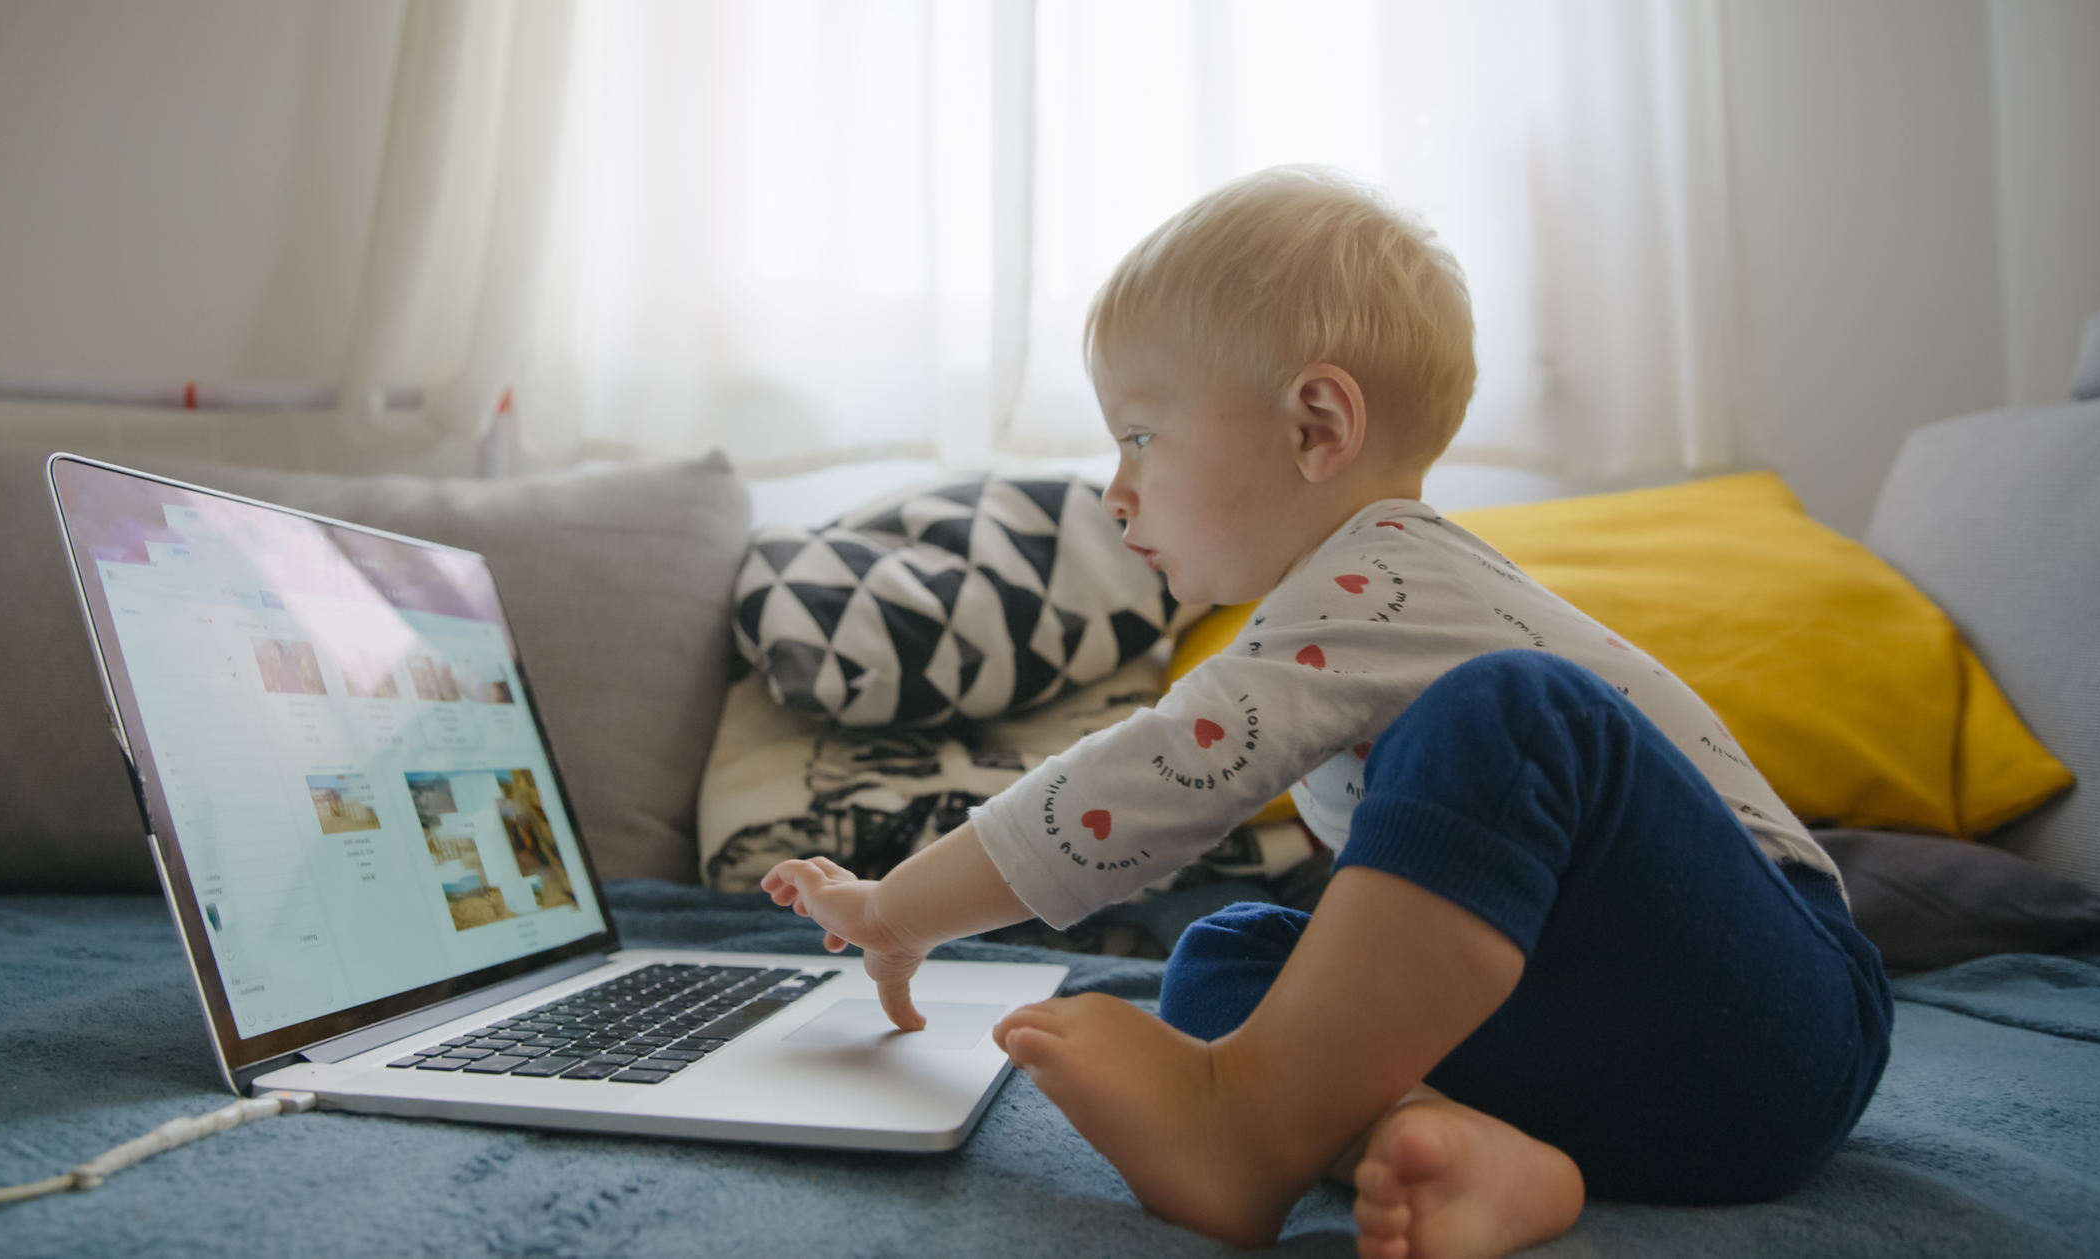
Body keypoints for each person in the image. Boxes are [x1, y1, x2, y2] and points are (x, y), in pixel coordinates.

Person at [761, 166, 1891, 1259]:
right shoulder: (1330, 626)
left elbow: (1142, 783)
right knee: (1228, 961)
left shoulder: (1380, 578)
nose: (1115, 488)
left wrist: (898, 907)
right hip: (1601, 1063)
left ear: (1315, 426)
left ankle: (1246, 1129)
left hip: (1772, 1022)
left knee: (1517, 710)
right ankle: (1452, 1147)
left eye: (1140, 436)